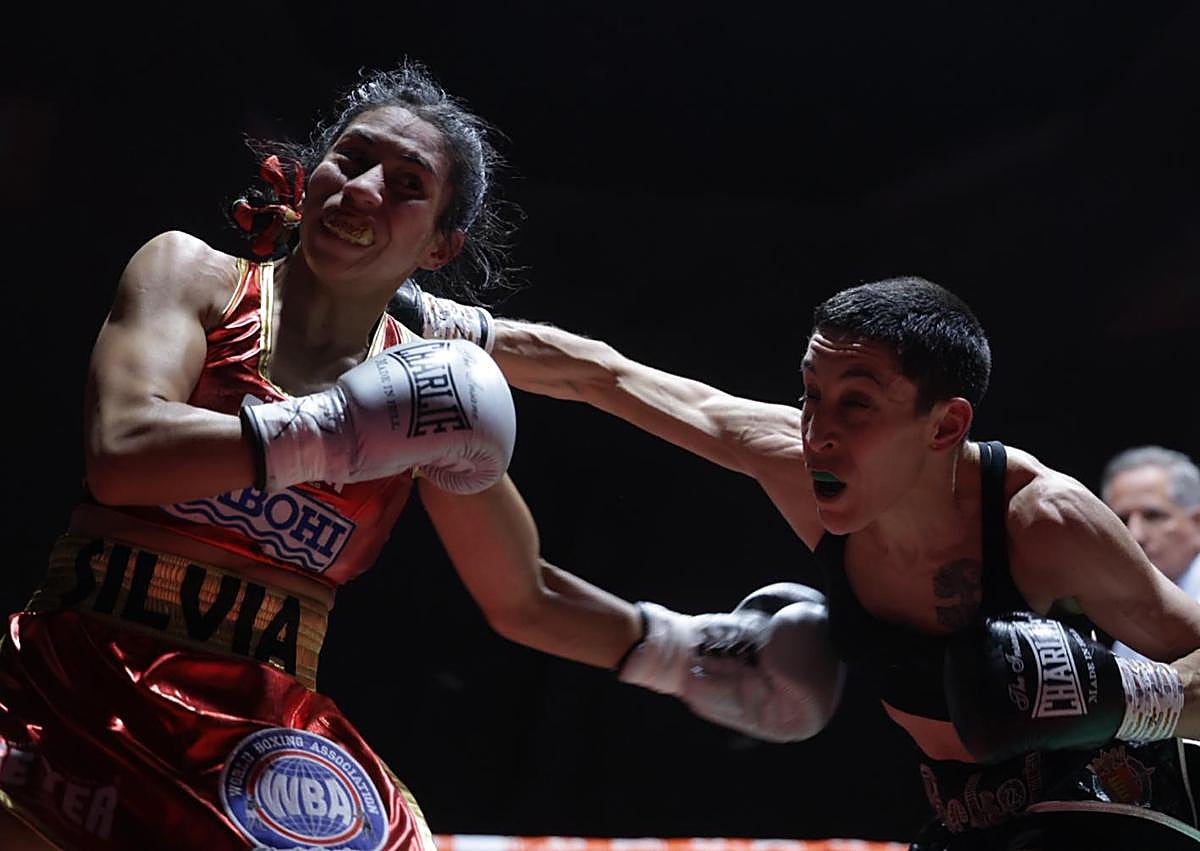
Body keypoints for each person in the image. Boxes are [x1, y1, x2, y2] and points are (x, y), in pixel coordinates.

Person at [0, 60, 668, 851]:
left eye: (407, 183)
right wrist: (333, 430)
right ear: (311, 174)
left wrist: (686, 654)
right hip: (78, 678)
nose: (361, 189)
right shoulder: (196, 276)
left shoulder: (427, 390)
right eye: (350, 159)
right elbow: (123, 451)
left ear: (439, 247)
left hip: (253, 729)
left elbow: (523, 593)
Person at [396, 275, 1200, 849]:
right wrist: (427, 319)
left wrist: (1119, 693)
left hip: (1112, 816)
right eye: (810, 392)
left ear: (945, 424)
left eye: (857, 401)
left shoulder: (1040, 519)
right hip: (962, 822)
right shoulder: (796, 464)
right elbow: (605, 374)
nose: (817, 429)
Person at [1100, 446, 1200, 661]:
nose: (1135, 535)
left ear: (1197, 524)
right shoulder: (1130, 622)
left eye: (1153, 516)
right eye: (1122, 520)